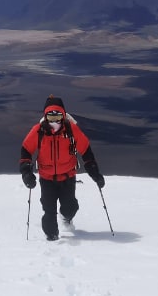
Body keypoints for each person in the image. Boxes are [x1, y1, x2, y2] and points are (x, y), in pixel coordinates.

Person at [19, 95, 105, 241]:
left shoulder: (72, 130)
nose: (54, 121)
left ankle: (67, 218)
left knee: (70, 207)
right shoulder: (38, 131)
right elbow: (26, 149)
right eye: (50, 118)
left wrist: (95, 173)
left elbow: (86, 151)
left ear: (63, 115)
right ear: (45, 117)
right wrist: (26, 173)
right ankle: (51, 239)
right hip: (46, 179)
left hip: (68, 177)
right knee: (49, 210)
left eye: (57, 116)